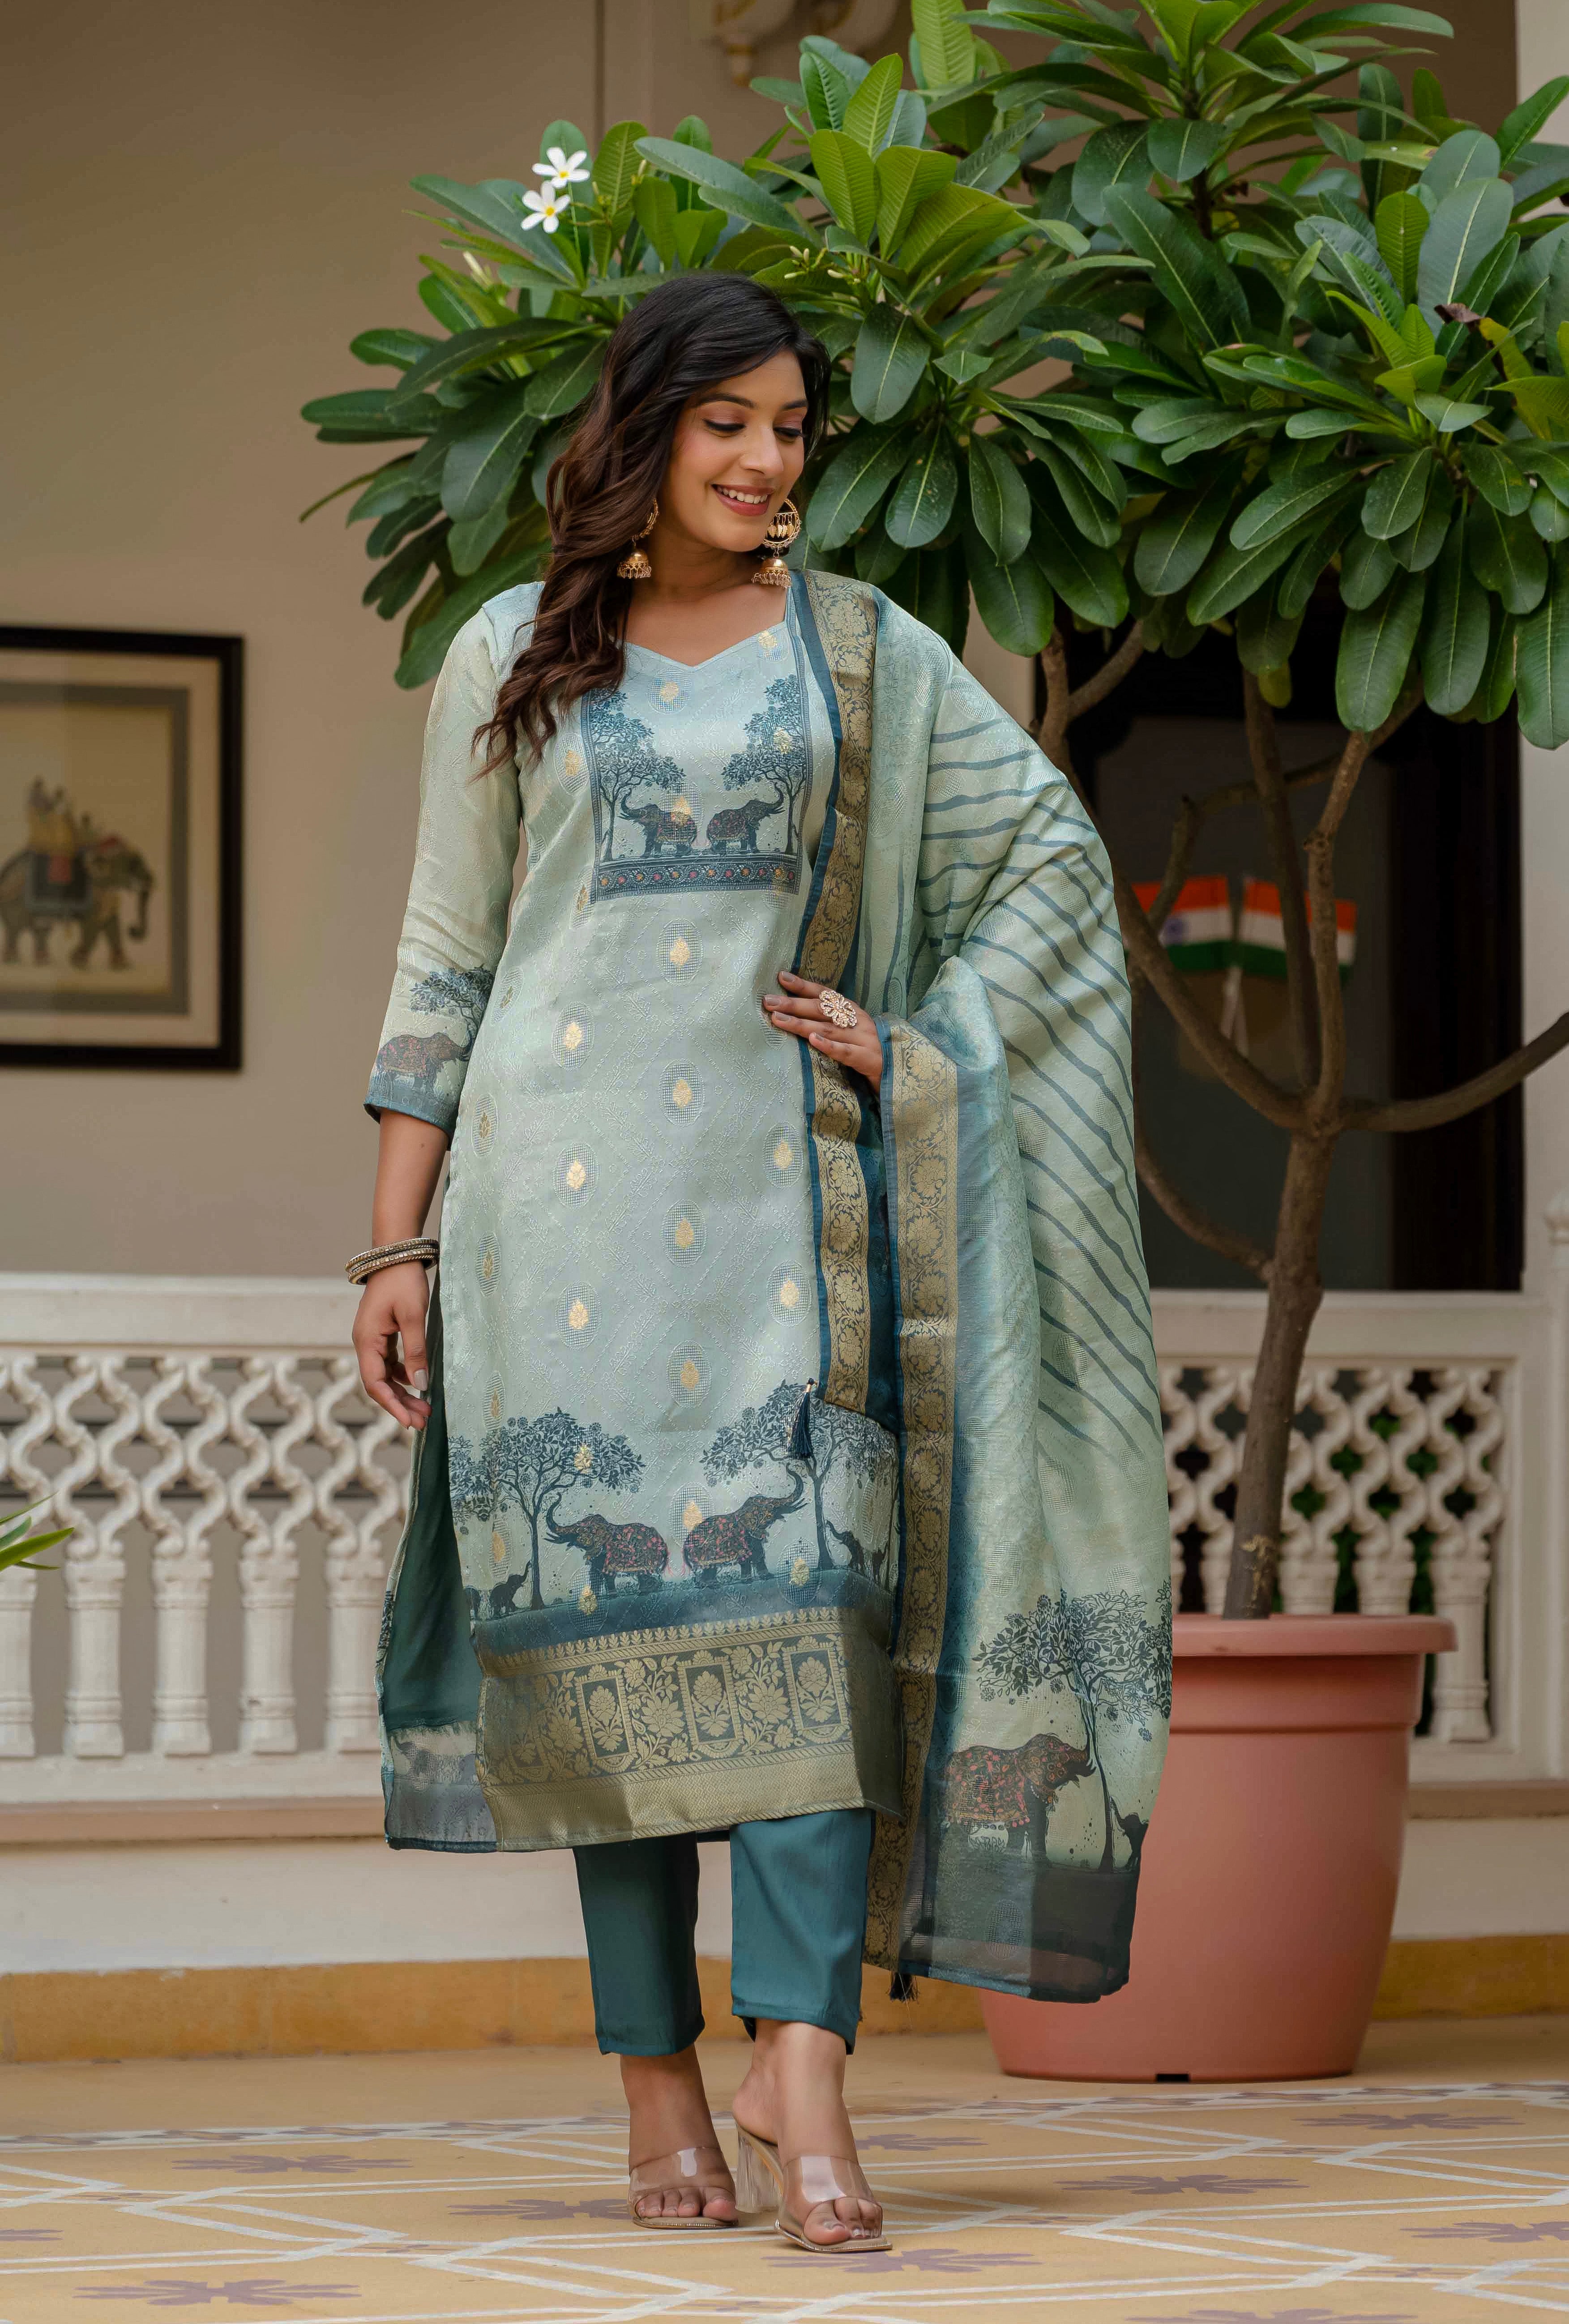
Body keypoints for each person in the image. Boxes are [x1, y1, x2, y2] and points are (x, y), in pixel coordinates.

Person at [350, 273, 1171, 2256]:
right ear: (644, 426)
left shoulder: (866, 653)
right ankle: (656, 2077)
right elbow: (448, 957)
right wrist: (394, 1241)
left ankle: (800, 2061)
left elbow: (1049, 859)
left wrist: (925, 1038)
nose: (764, 457)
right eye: (727, 420)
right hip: (552, 1230)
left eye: (791, 426)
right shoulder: (508, 653)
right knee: (610, 1684)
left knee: (810, 1642)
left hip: (792, 1225)